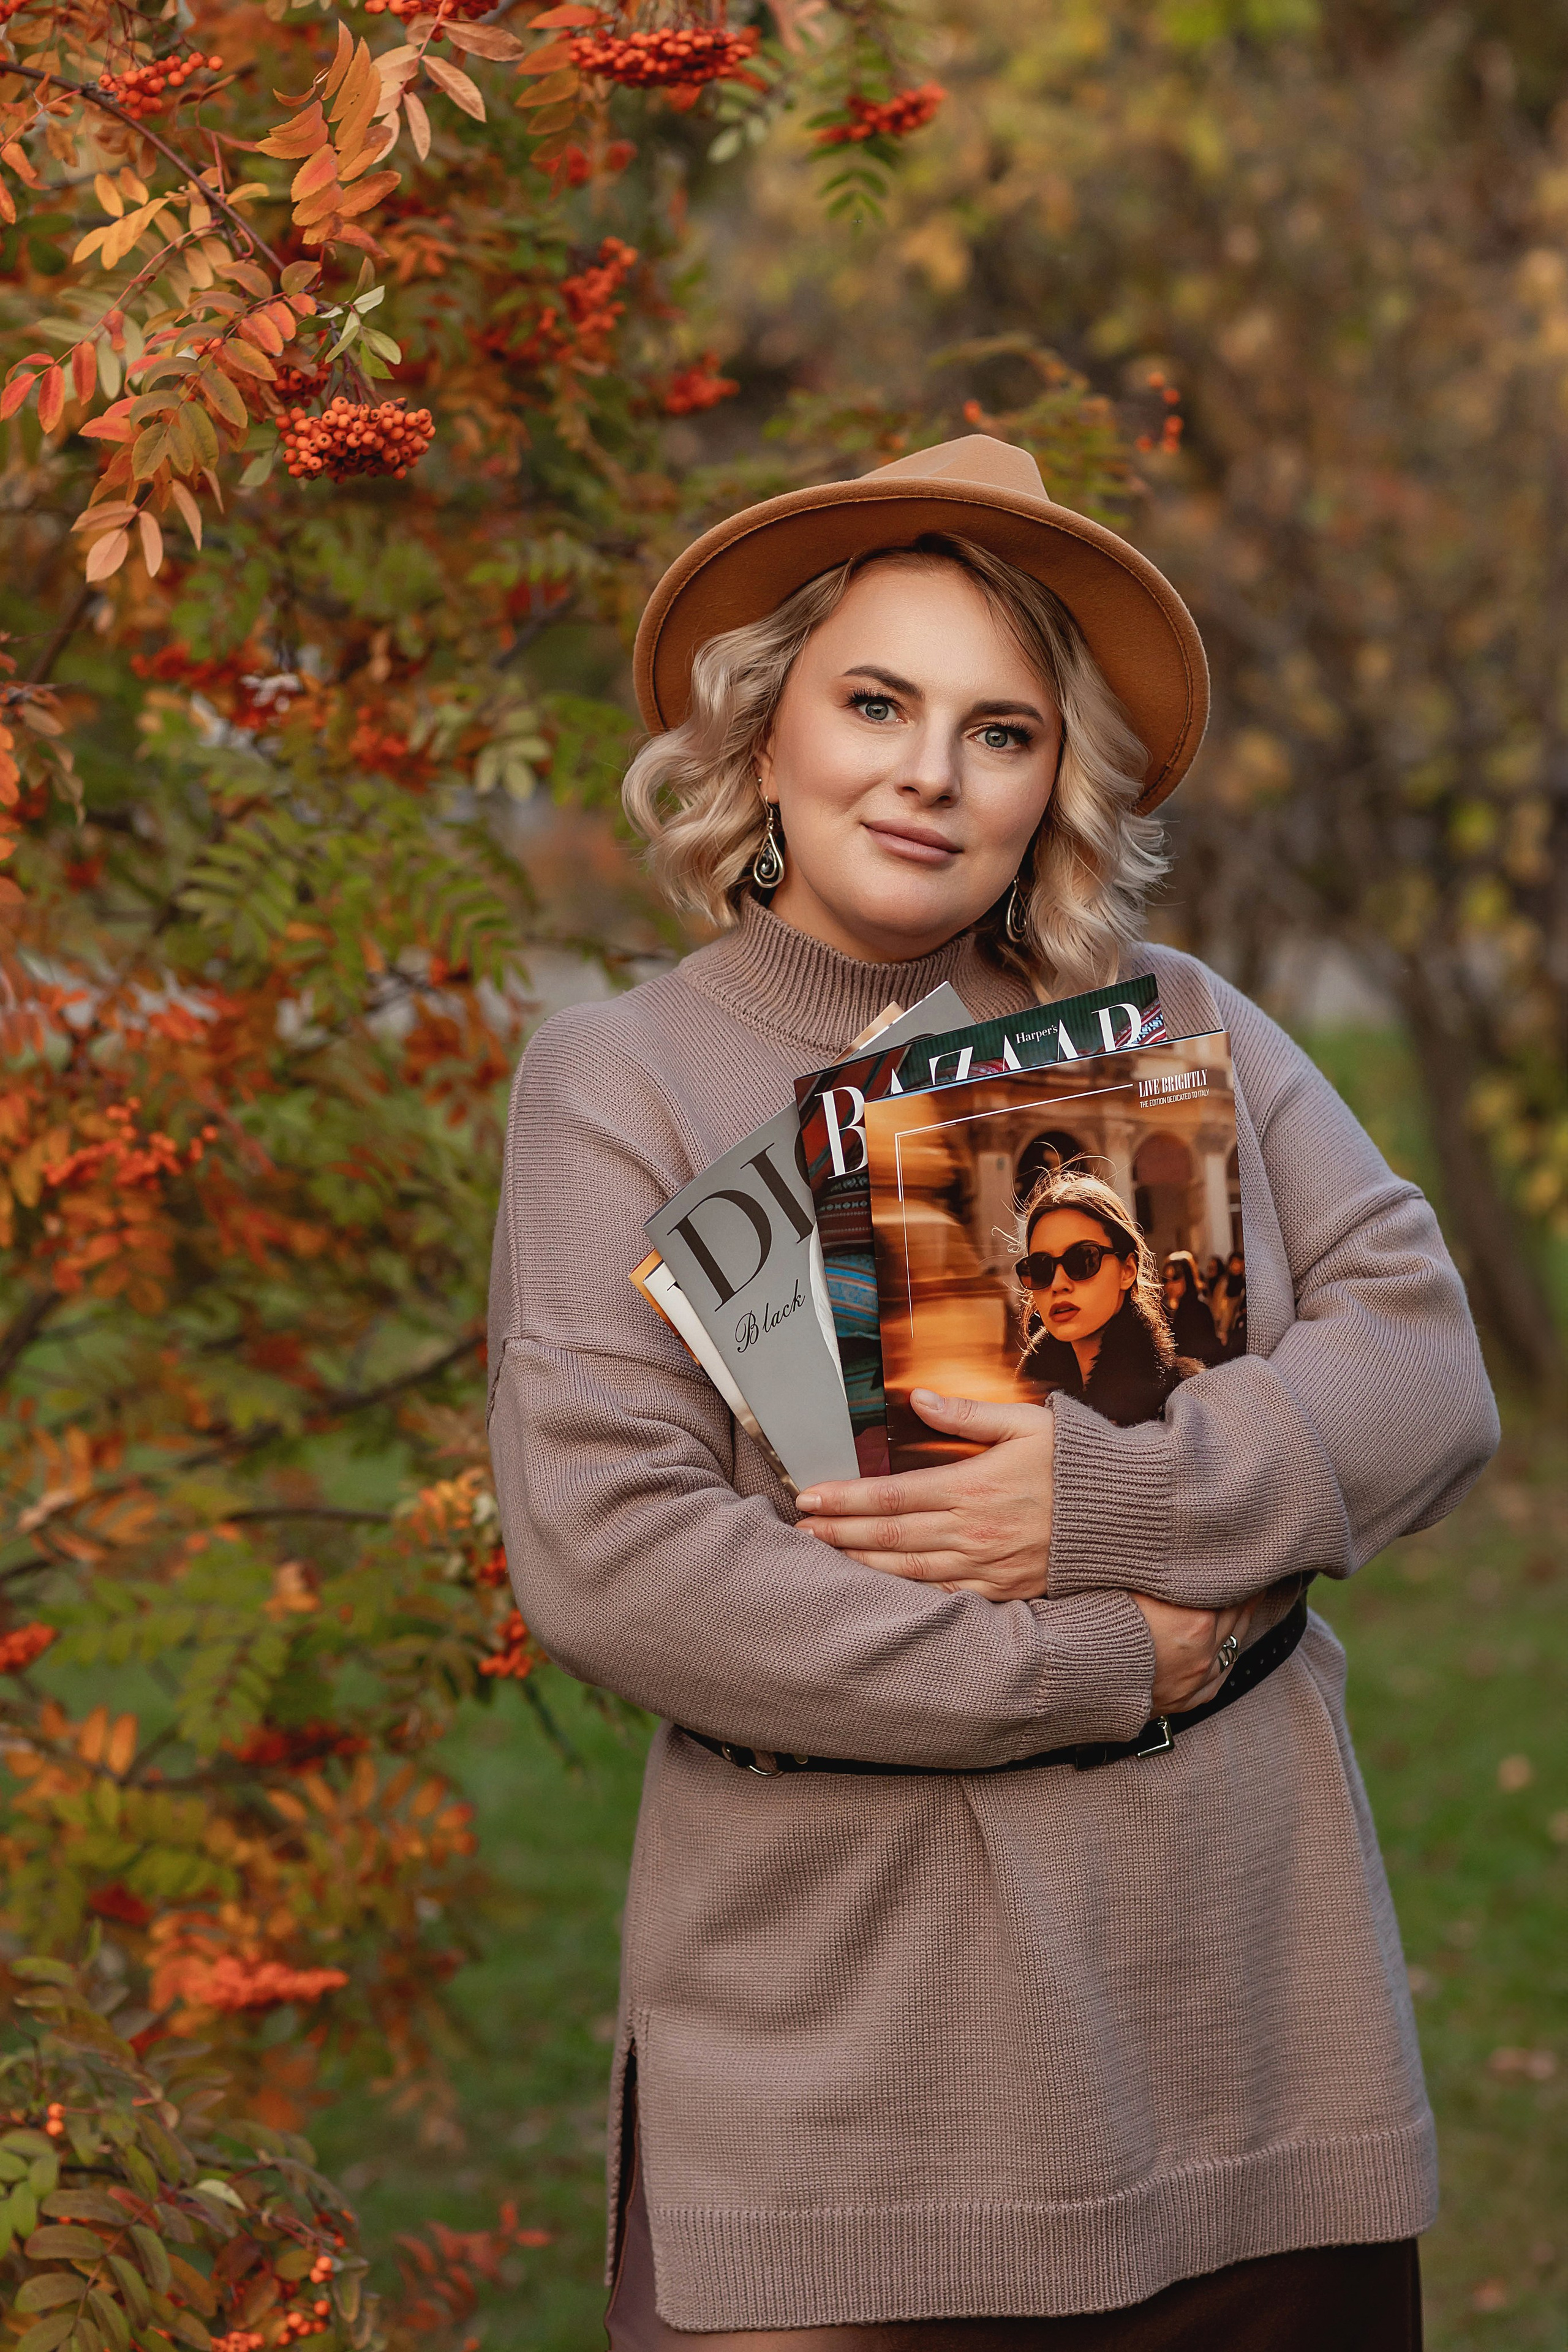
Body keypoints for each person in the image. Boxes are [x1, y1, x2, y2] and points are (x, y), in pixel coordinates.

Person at [486, 435, 1498, 2348]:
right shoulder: (616, 1081)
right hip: (856, 2072)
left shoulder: (1177, 1016)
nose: (928, 771)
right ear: (761, 731)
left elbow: (1423, 1360)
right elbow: (618, 1559)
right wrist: (1113, 1657)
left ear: (1058, 784)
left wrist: (1104, 1505)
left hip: (1241, 2014)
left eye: (1000, 728)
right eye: (874, 700)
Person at [1016, 1167, 1198, 1427]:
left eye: (1083, 1259)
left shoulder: (1186, 1403)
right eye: (1040, 1268)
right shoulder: (1024, 1405)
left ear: (1127, 1270)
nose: (1058, 1284)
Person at [1160, 1248, 1223, 1365]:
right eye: (1166, 1279)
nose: (1170, 1285)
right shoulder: (1164, 1310)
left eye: (1175, 1278)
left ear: (1187, 1278)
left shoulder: (1199, 1310)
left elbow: (1207, 1353)